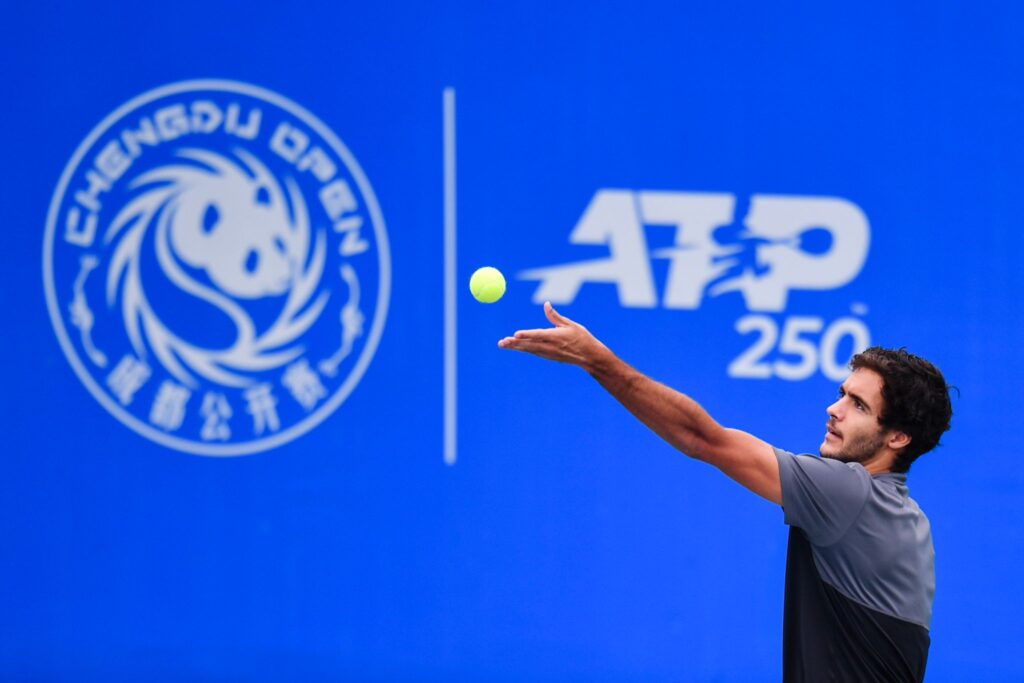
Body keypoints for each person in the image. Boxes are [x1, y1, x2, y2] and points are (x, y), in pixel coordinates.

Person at [498, 302, 954, 683]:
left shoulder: (848, 493)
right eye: (842, 394)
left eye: (858, 405)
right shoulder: (908, 520)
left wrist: (595, 359)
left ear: (898, 438)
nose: (833, 410)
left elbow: (701, 438)